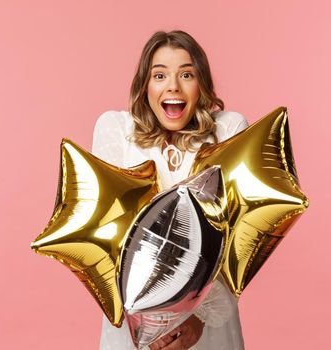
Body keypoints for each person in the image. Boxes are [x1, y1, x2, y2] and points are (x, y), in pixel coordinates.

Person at [92, 30, 249, 350]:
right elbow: (107, 236)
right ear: (145, 85)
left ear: (201, 83)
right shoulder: (116, 130)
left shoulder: (228, 131)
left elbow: (239, 240)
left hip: (207, 324)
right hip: (134, 322)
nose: (173, 86)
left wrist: (198, 318)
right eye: (159, 75)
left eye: (186, 74)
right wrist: (150, 323)